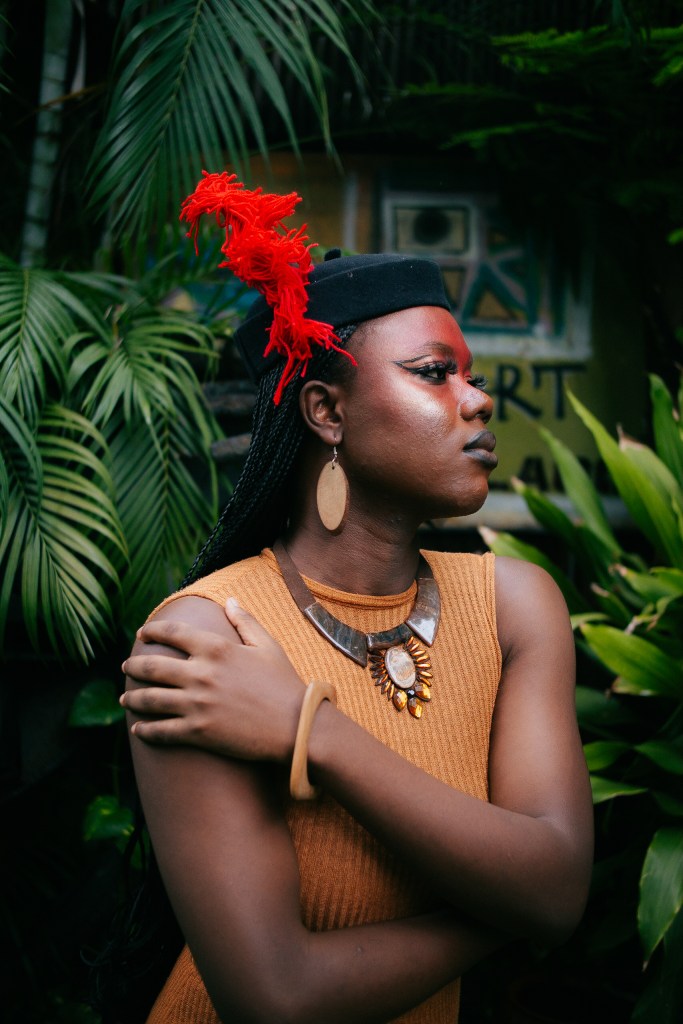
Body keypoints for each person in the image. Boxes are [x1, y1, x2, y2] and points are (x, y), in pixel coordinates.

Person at [119, 172, 594, 1024]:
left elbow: (556, 888)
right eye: (434, 373)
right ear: (326, 412)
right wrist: (508, 906)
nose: (478, 399)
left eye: (469, 375)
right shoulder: (206, 640)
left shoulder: (516, 608)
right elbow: (276, 997)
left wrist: (309, 730)